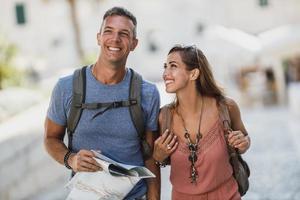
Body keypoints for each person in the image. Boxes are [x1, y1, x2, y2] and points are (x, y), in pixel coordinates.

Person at [44, 7, 161, 200]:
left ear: (134, 43)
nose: (115, 39)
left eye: (124, 34)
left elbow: (150, 156)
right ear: (98, 38)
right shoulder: (66, 87)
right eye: (109, 31)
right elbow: (50, 138)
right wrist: (70, 159)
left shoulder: (147, 92)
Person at [153, 45, 251, 200]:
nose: (165, 73)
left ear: (193, 74)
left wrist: (243, 142)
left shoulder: (226, 108)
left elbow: (244, 138)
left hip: (227, 195)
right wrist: (158, 156)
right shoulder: (163, 117)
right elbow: (154, 160)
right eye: (165, 67)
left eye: (173, 66)